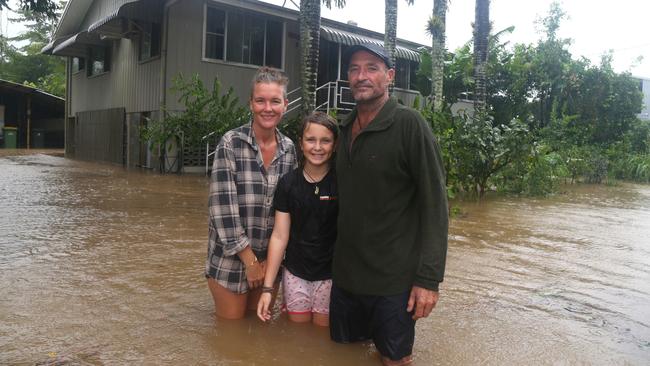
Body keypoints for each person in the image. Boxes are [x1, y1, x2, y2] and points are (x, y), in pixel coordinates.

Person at [329, 44, 449, 366]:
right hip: (345, 278)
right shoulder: (342, 128)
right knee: (346, 354)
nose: (361, 76)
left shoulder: (410, 125)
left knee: (394, 360)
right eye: (354, 69)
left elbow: (436, 206)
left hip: (393, 283)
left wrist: (428, 280)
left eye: (371, 68)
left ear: (389, 76)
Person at [205, 66, 297, 320]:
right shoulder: (230, 143)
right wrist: (251, 263)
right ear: (251, 104)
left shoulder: (289, 149)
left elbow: (292, 210)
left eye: (275, 101)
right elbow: (222, 211)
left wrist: (269, 262)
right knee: (231, 337)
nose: (268, 108)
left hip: (270, 261)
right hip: (230, 261)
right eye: (261, 101)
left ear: (285, 105)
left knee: (258, 336)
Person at [257, 111, 338, 327]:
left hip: (331, 276)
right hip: (295, 274)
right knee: (297, 337)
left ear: (335, 144)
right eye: (311, 140)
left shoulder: (343, 183)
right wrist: (267, 290)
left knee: (323, 337)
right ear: (301, 144)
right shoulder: (288, 184)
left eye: (325, 141)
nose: (317, 147)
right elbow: (279, 236)